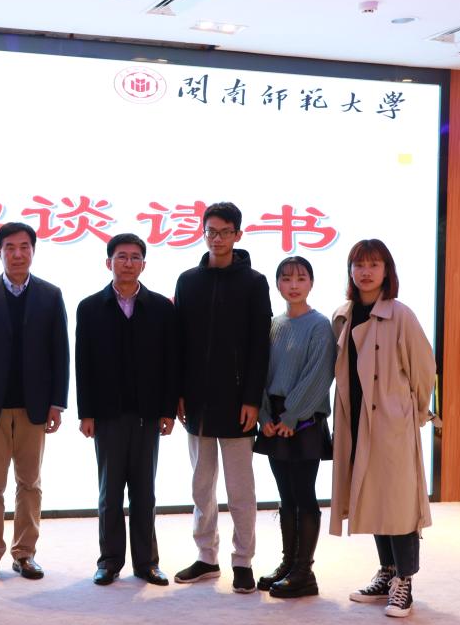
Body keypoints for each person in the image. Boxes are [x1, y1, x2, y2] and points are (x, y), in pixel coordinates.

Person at [329, 239, 435, 618]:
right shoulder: (343, 315)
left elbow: (424, 369)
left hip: (391, 422)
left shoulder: (400, 314)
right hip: (356, 419)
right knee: (372, 495)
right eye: (359, 264)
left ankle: (404, 580)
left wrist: (412, 412)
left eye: (374, 264)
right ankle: (387, 571)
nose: (366, 272)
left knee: (398, 502)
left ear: (387, 271)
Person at [0, 222, 70, 583]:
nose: (18, 254)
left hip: (34, 407)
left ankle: (25, 554)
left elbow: (60, 353)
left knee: (30, 484)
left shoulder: (50, 295)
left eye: (24, 247)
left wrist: (57, 403)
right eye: (10, 247)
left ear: (33, 251)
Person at [173, 201, 271, 594]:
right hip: (196, 401)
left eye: (225, 232)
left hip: (237, 402)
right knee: (202, 485)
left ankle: (243, 560)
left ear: (238, 235)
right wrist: (178, 392)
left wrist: (252, 399)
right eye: (211, 231)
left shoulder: (254, 283)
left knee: (240, 489)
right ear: (203, 233)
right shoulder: (187, 281)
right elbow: (179, 343)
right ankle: (206, 557)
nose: (217, 238)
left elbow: (259, 347)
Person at [75, 233, 178, 586]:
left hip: (148, 414)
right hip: (107, 414)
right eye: (121, 256)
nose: (128, 263)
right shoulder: (90, 307)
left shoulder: (161, 308)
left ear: (144, 265)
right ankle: (109, 561)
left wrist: (167, 410)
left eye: (135, 257)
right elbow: (83, 364)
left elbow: (170, 363)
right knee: (110, 492)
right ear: (109, 263)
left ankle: (147, 563)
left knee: (144, 492)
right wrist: (86, 413)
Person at [253, 256, 335, 598]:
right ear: (277, 285)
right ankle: (288, 563)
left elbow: (319, 375)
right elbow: (260, 371)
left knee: (304, 495)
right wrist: (265, 416)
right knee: (285, 495)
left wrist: (292, 417)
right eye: (286, 279)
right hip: (274, 420)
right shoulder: (273, 323)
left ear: (311, 283)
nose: (294, 285)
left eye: (301, 278)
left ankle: (305, 572)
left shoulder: (320, 325)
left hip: (304, 422)